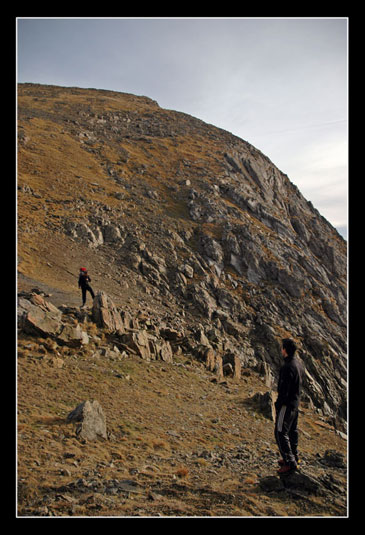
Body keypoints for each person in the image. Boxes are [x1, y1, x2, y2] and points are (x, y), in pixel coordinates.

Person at [274, 338, 304, 474]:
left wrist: (278, 403)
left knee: (280, 432)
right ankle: (294, 457)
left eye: (282, 348)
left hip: (286, 404)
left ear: (285, 350)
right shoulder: (297, 364)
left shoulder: (287, 367)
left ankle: (289, 462)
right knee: (292, 431)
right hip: (295, 403)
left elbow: (283, 388)